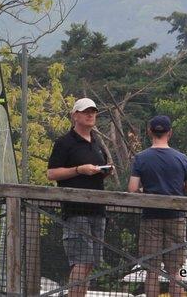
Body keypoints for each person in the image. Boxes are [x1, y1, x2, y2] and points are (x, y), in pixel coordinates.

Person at [47, 97, 112, 297]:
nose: (90, 115)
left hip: (98, 210)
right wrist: (78, 170)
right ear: (75, 115)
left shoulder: (97, 142)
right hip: (75, 210)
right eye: (85, 111)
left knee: (91, 263)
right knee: (81, 262)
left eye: (93, 111)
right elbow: (51, 174)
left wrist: (105, 171)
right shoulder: (64, 143)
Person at [128, 115, 187, 297]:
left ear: (149, 131)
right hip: (176, 217)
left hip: (151, 217)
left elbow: (132, 188)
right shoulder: (181, 158)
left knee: (152, 270)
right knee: (175, 271)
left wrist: (146, 191)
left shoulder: (141, 158)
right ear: (170, 133)